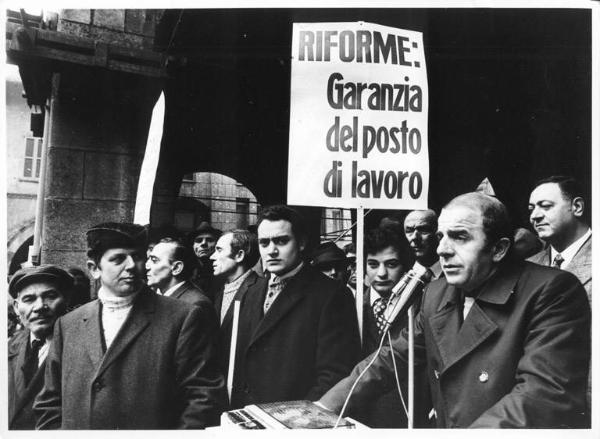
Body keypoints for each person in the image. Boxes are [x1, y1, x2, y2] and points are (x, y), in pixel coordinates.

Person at [319, 192, 590, 428]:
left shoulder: (551, 290)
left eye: (459, 237)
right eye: (441, 236)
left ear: (498, 249)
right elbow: (391, 359)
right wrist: (321, 410)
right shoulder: (436, 293)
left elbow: (540, 395)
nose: (442, 250)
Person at [34, 222, 226, 429]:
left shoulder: (182, 317)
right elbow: (49, 403)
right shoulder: (68, 324)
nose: (132, 265)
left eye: (137, 256)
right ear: (94, 269)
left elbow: (203, 398)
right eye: (118, 259)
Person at [230, 205, 361, 409]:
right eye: (264, 243)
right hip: (249, 417)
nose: (272, 250)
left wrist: (296, 419)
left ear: (301, 243)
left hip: (294, 420)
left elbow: (334, 374)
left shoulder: (331, 294)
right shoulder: (250, 291)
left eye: (281, 241)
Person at [8, 265, 73, 430]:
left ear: (66, 300)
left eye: (50, 296)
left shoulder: (80, 348)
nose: (39, 307)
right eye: (29, 299)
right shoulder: (8, 349)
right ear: (16, 307)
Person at [527, 175, 591, 300]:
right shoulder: (528, 267)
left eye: (546, 206)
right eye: (531, 209)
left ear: (577, 207)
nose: (534, 216)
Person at [210, 229, 261, 376]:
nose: (212, 257)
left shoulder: (261, 290)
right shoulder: (219, 292)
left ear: (239, 255)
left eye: (219, 250)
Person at [146, 236, 212, 307]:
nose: (147, 266)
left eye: (154, 260)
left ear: (176, 268)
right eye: (148, 259)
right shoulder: (151, 295)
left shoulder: (195, 304)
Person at [403, 209, 443, 279]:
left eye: (423, 230)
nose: (414, 237)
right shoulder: (399, 277)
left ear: (438, 233)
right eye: (409, 231)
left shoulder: (456, 275)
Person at [188, 222, 222, 298]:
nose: (203, 244)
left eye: (209, 240)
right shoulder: (187, 270)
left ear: (217, 245)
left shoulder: (222, 270)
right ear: (193, 246)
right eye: (199, 240)